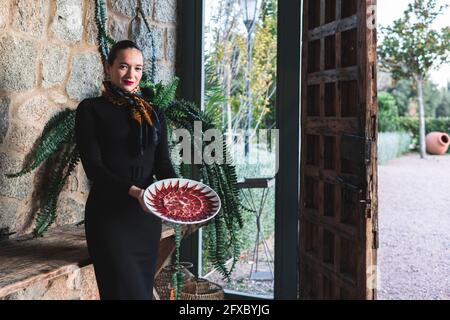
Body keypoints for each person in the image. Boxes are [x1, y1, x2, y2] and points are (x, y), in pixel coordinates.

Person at [74, 40, 177, 300]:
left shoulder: (154, 113)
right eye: (123, 66)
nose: (131, 75)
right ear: (108, 68)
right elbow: (94, 168)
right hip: (109, 218)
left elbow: (163, 165)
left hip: (145, 220)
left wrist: (180, 193)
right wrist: (135, 192)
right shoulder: (90, 109)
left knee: (141, 294)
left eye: (138, 68)